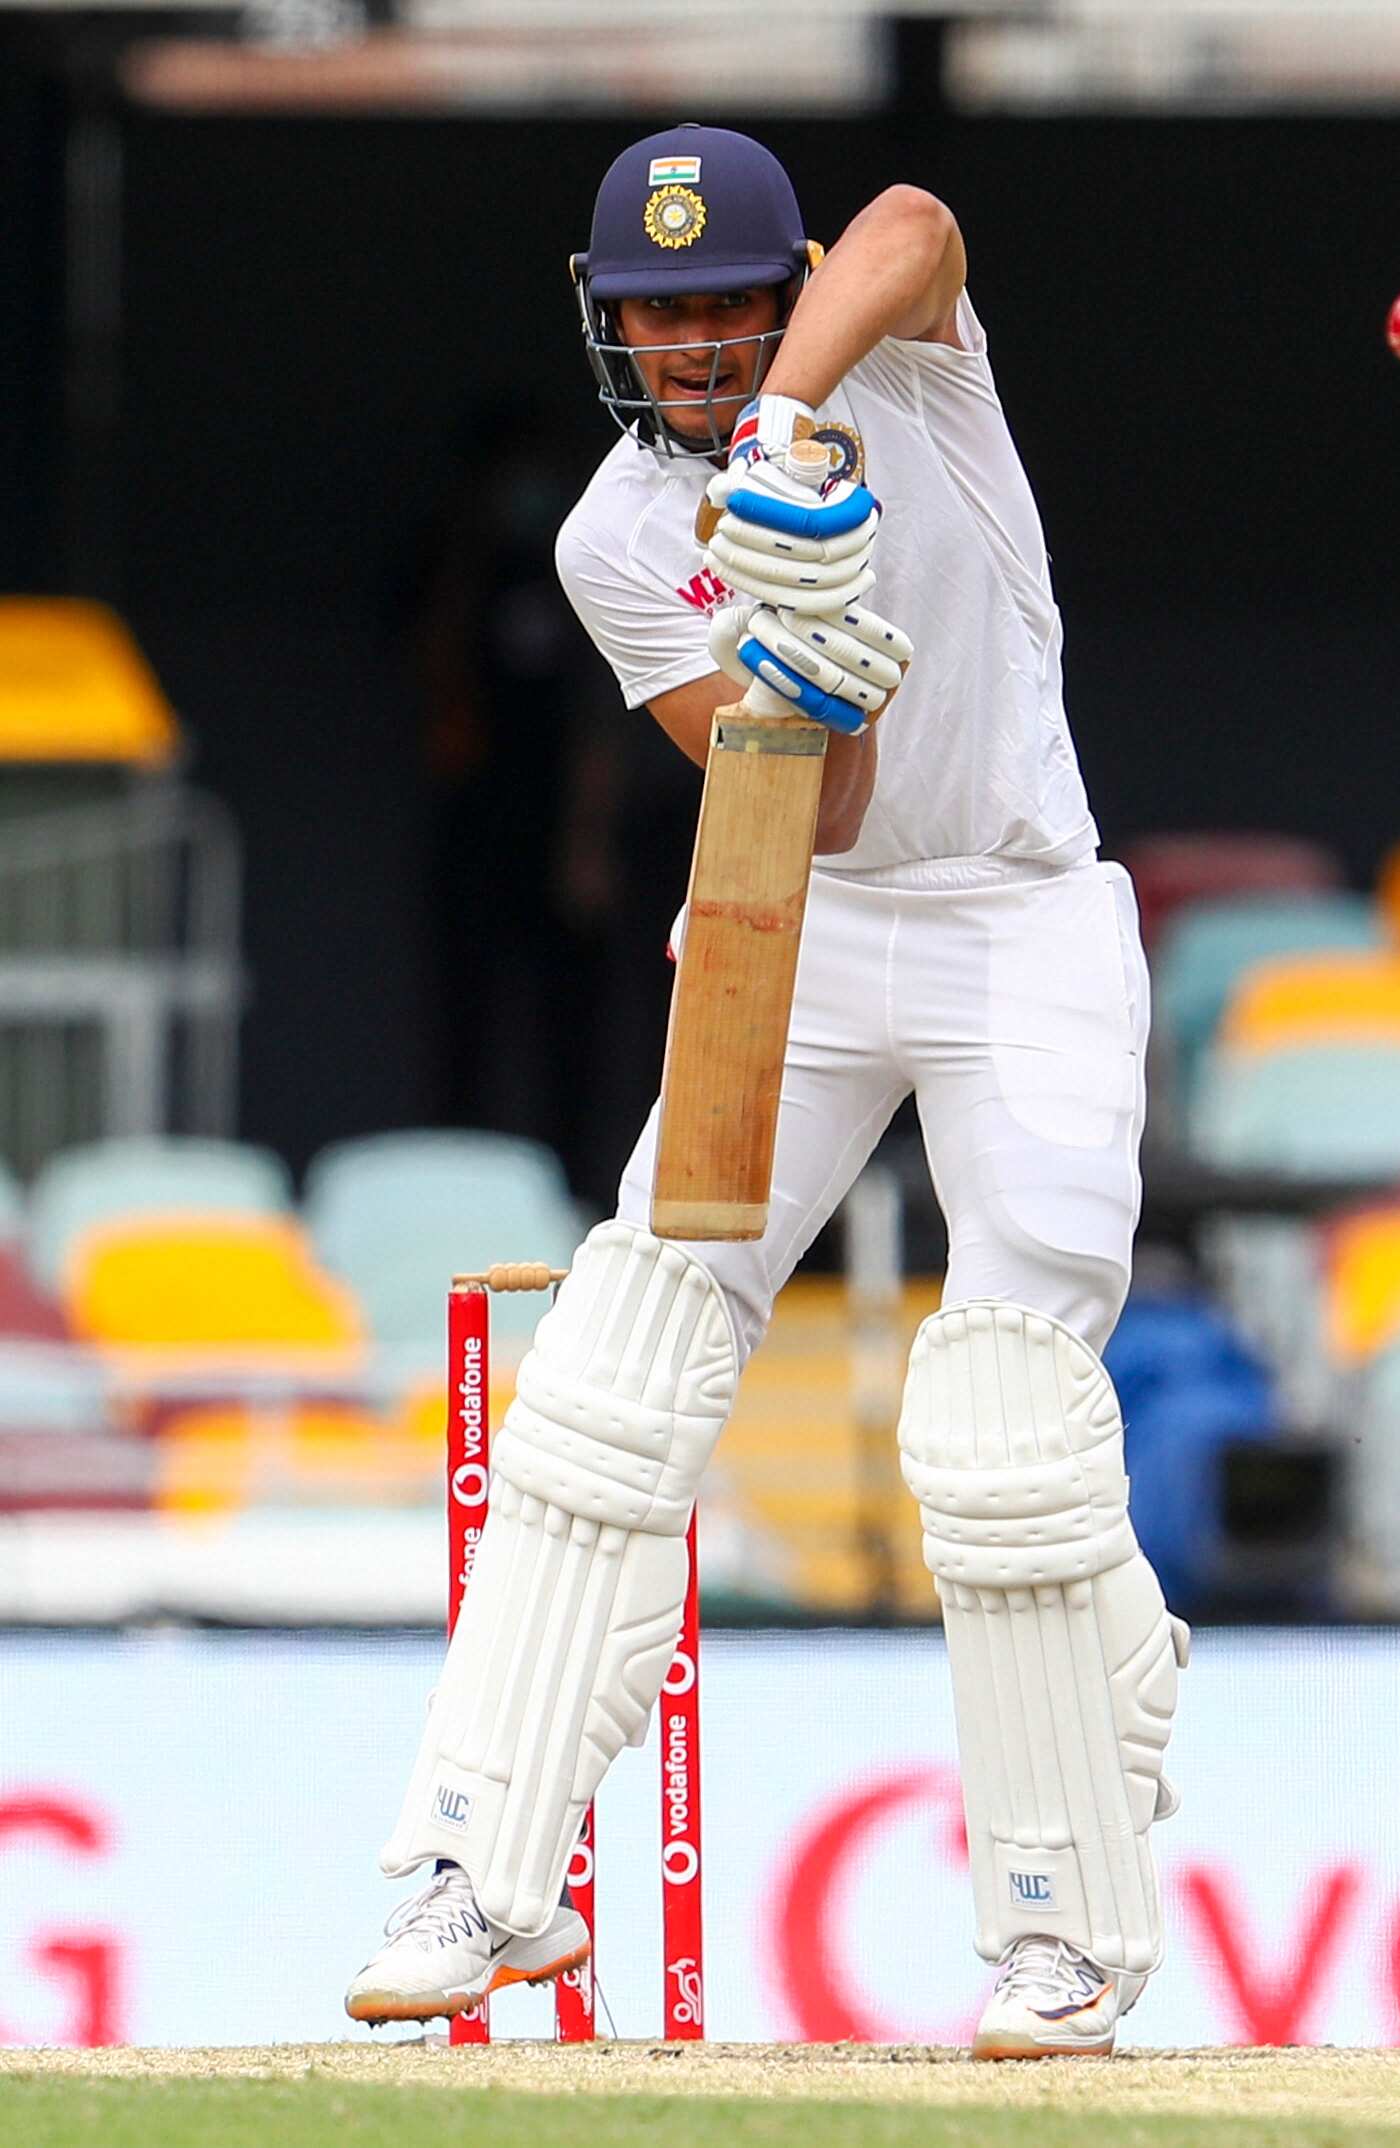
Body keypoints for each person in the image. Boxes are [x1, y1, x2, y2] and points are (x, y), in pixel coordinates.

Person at [345, 123, 1187, 2060]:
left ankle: (1060, 1925)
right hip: (799, 914)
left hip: (1022, 922)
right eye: (659, 314)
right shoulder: (603, 542)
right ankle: (477, 1867)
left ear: (784, 287)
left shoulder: (896, 358)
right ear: (606, 328)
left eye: (727, 297)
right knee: (618, 1364)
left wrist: (788, 441)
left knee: (1002, 1409)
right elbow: (830, 810)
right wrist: (801, 647)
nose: (699, 337)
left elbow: (917, 219)